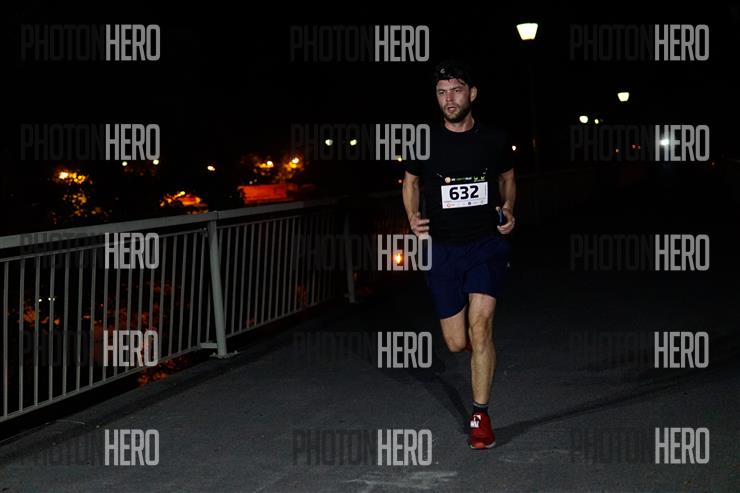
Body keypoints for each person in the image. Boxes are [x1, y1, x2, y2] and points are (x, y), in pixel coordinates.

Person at [402, 60, 516, 449]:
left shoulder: (494, 139)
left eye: (456, 90)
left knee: (480, 327)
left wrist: (509, 208)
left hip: (485, 245)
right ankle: (471, 345)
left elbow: (507, 178)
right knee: (454, 343)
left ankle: (480, 415)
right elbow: (410, 182)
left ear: (472, 93)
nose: (448, 99)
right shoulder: (424, 141)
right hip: (442, 250)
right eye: (441, 93)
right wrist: (412, 217)